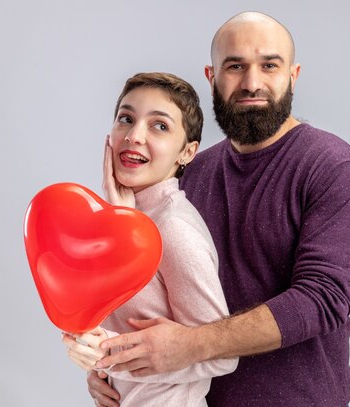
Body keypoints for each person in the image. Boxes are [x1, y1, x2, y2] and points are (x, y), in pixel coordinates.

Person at [88, 11, 350, 407]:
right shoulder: (189, 174)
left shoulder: (333, 169)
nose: (251, 82)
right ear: (212, 77)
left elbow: (323, 299)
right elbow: (154, 298)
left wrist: (190, 345)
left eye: (269, 65)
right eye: (235, 66)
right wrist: (111, 368)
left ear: (293, 75)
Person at [62, 72, 237, 406]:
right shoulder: (123, 220)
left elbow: (220, 356)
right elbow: (120, 325)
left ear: (187, 152)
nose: (134, 135)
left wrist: (106, 352)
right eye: (126, 119)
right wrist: (98, 366)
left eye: (159, 126)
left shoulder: (174, 228)